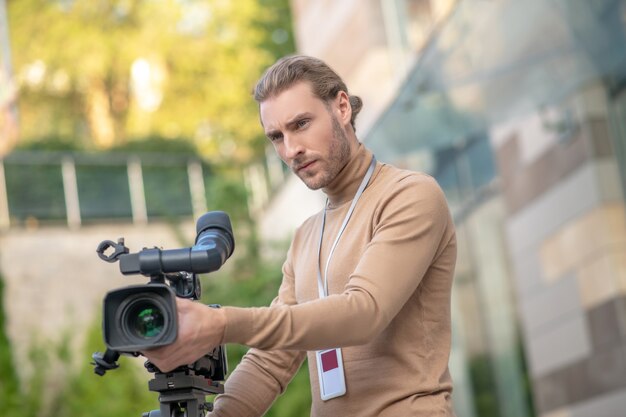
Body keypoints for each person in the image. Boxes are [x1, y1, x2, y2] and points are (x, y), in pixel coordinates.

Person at [143, 55, 457, 417]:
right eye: (277, 136)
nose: (291, 150)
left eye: (301, 124)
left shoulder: (410, 195)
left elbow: (364, 313)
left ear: (341, 107)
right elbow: (270, 362)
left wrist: (223, 323)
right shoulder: (306, 237)